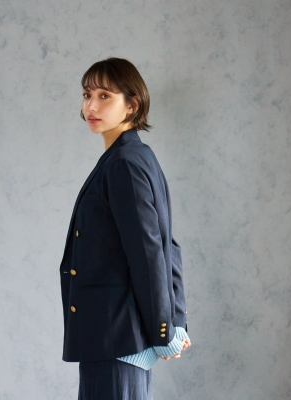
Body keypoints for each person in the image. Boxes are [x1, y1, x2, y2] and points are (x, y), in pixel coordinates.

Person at [59, 57, 191, 400]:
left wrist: (165, 330)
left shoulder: (123, 164)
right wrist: (175, 320)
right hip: (114, 339)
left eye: (105, 96)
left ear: (132, 104)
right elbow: (167, 246)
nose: (91, 106)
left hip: (115, 340)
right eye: (87, 95)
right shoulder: (136, 156)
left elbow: (150, 252)